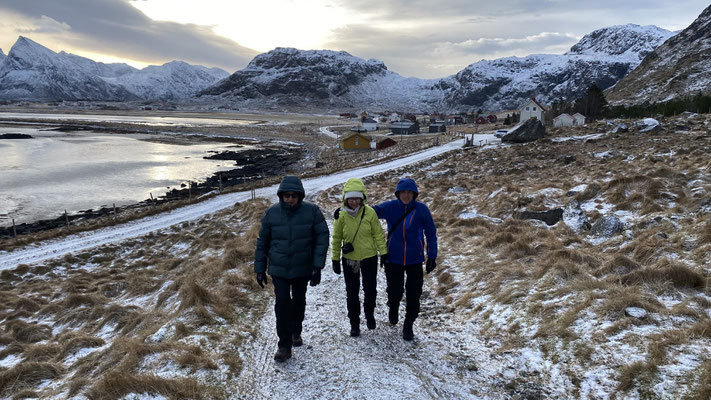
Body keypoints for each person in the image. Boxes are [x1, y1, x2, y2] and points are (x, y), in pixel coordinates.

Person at [254, 175, 329, 362]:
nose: (290, 199)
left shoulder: (312, 212)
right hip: (279, 269)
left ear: (300, 196)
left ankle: (296, 330)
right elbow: (262, 243)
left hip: (302, 267)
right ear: (281, 196)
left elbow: (322, 238)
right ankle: (284, 345)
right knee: (282, 303)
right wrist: (260, 268)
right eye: (286, 195)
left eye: (294, 195)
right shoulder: (271, 214)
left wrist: (317, 267)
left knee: (299, 301)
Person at [372, 178, 437, 341]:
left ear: (414, 194)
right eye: (403, 192)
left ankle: (408, 325)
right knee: (395, 291)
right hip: (393, 258)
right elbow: (368, 212)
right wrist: (345, 209)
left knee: (414, 295)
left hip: (415, 259)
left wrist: (432, 256)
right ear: (398, 193)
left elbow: (430, 233)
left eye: (409, 192)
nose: (406, 195)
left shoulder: (422, 209)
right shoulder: (390, 207)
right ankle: (393, 307)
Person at [331, 178, 388, 337]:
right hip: (350, 259)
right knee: (352, 292)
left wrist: (383, 253)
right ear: (345, 198)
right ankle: (354, 323)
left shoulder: (370, 213)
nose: (354, 201)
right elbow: (336, 238)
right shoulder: (340, 216)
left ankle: (369, 314)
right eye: (351, 198)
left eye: (357, 198)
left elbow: (378, 234)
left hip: (369, 257)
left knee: (370, 290)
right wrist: (335, 259)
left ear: (363, 198)